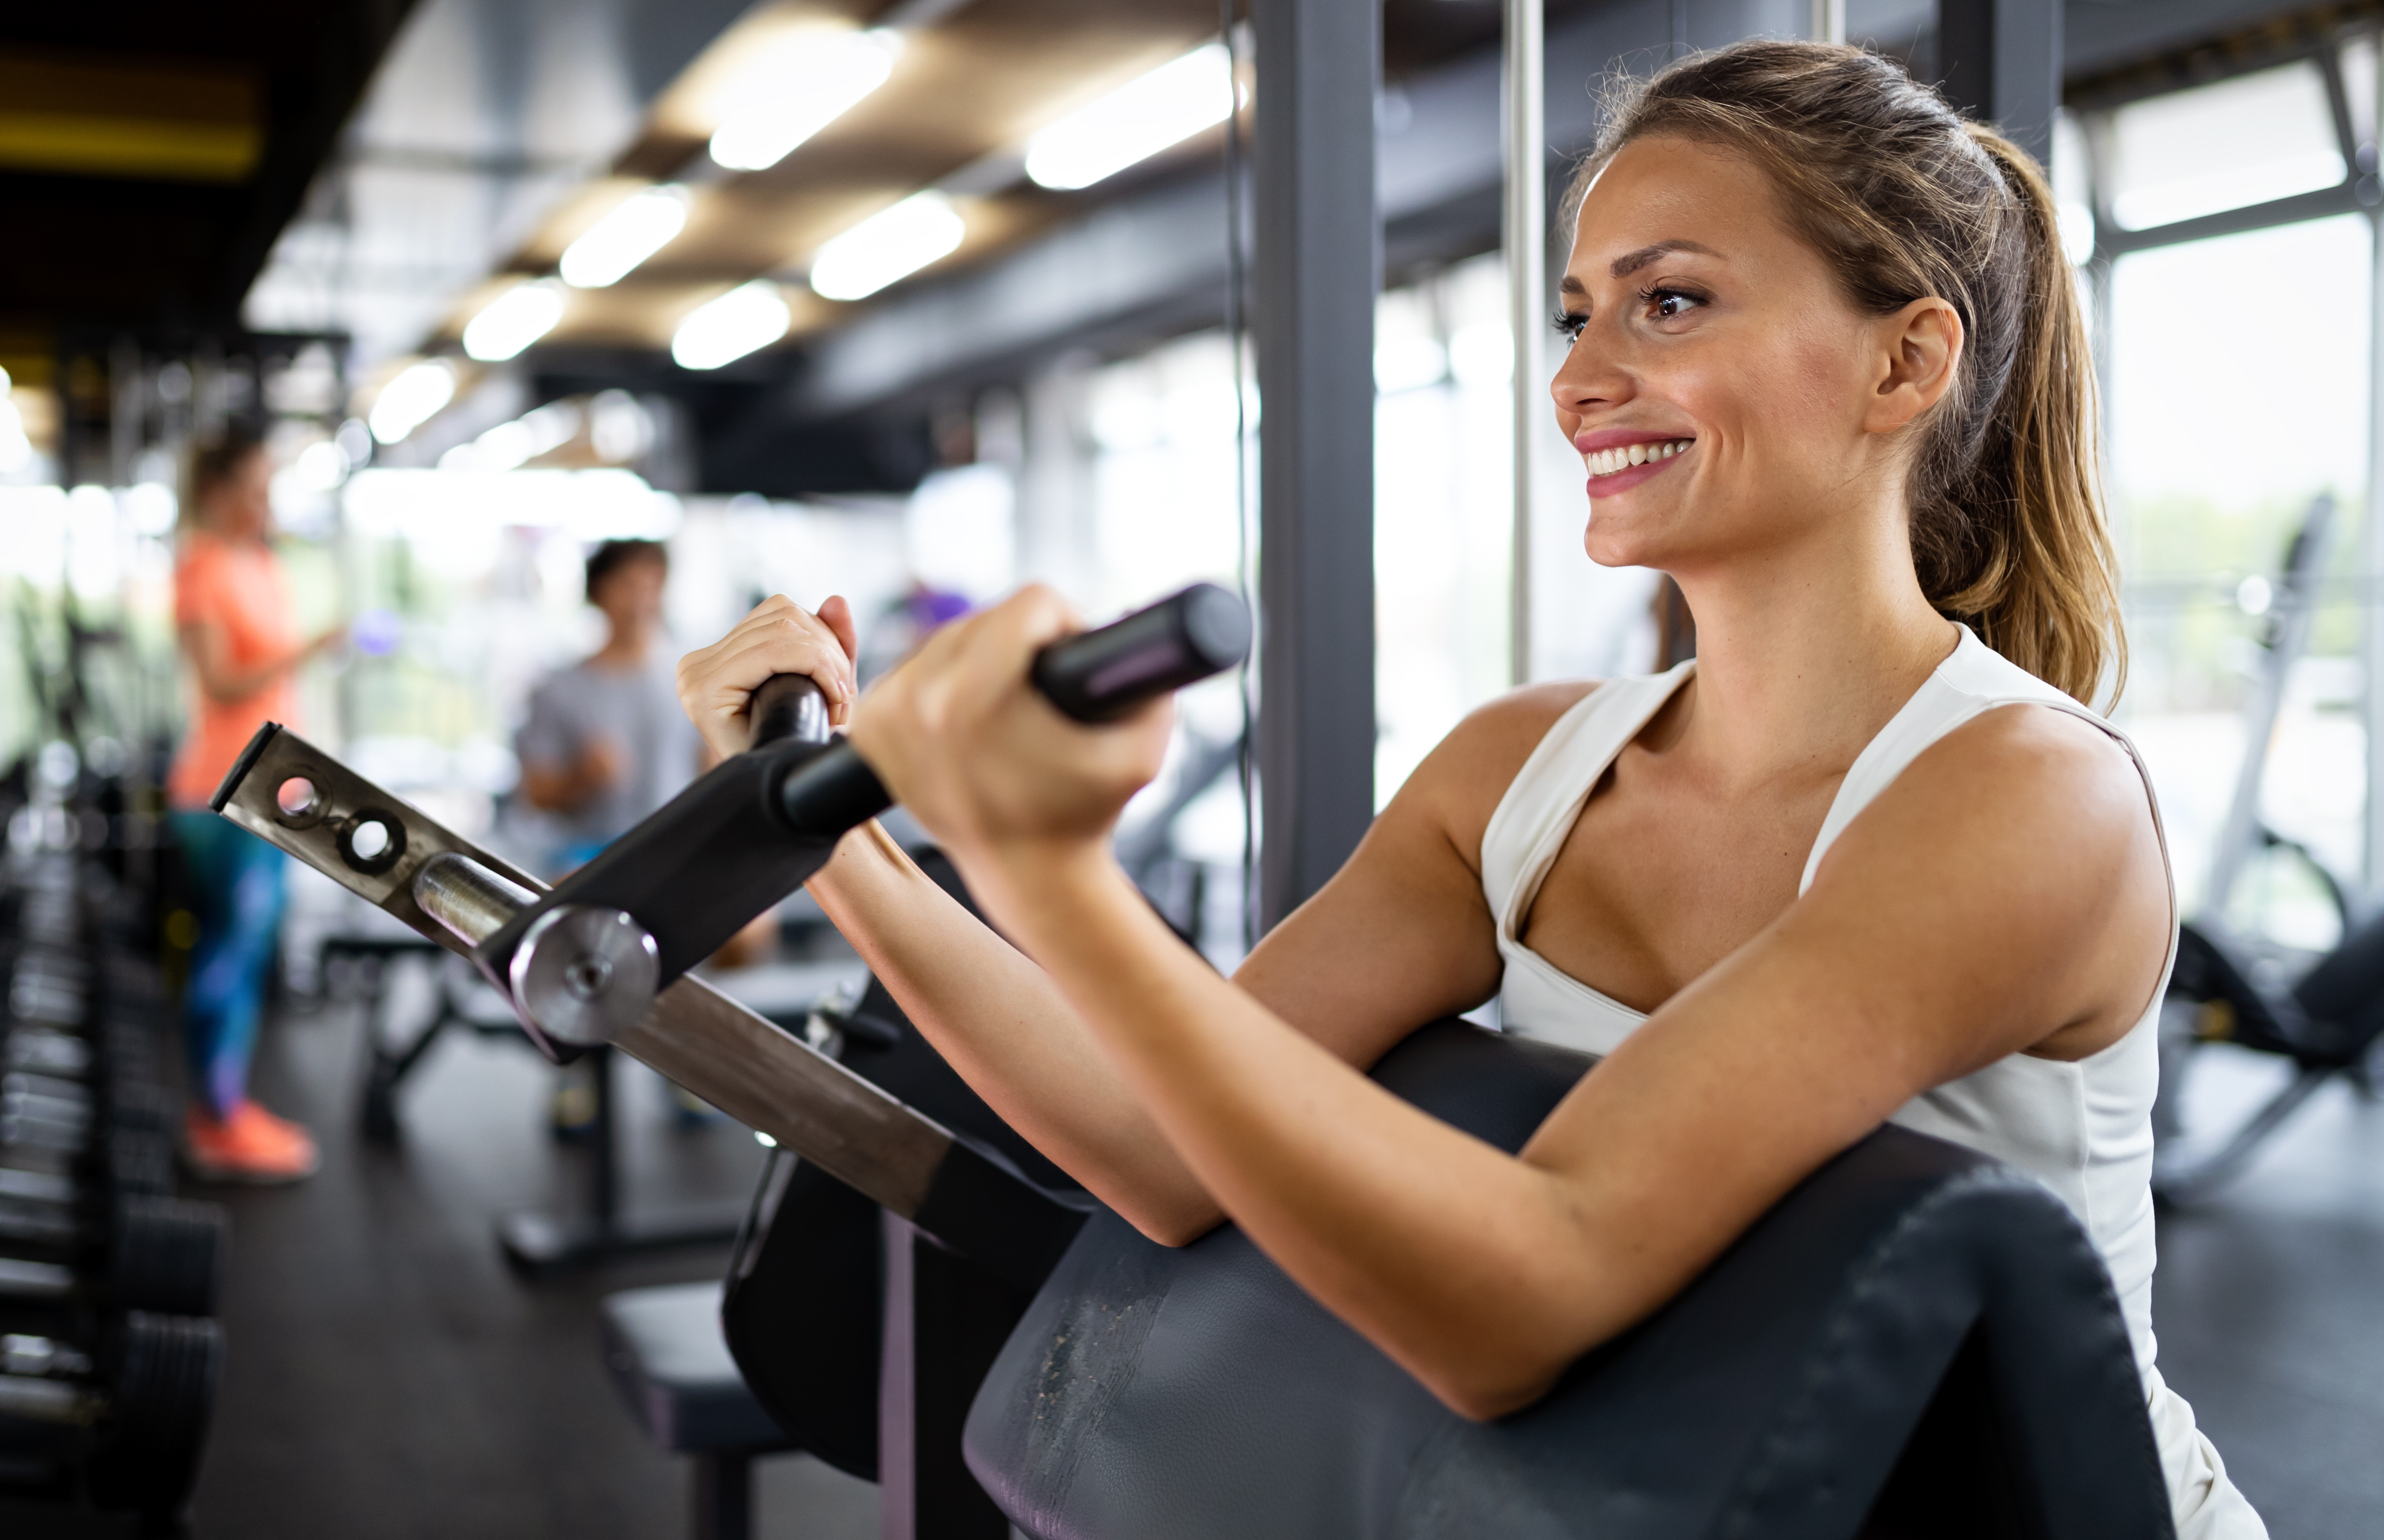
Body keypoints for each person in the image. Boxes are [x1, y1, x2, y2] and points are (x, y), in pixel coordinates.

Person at [675, 42, 2261, 1540]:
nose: (1582, 380)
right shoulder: (1523, 766)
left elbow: (1525, 1292)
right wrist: (831, 832)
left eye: (1669, 303)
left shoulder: (2021, 796)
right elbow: (1163, 1150)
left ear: (1905, 359)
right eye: (1575, 319)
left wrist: (1053, 870)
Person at [170, 427, 341, 1183]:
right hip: (223, 791)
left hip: (271, 789)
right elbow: (223, 683)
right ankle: (215, 1117)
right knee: (228, 955)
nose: (265, 501)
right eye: (254, 487)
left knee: (245, 954)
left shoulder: (257, 564)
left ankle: (224, 1108)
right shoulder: (200, 568)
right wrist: (309, 647)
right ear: (216, 491)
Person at [516, 539, 698, 874]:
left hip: (676, 852)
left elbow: (712, 769)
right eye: (628, 585)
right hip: (589, 857)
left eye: (652, 585)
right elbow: (536, 794)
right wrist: (582, 778)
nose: (641, 599)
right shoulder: (559, 690)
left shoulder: (693, 679)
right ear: (599, 592)